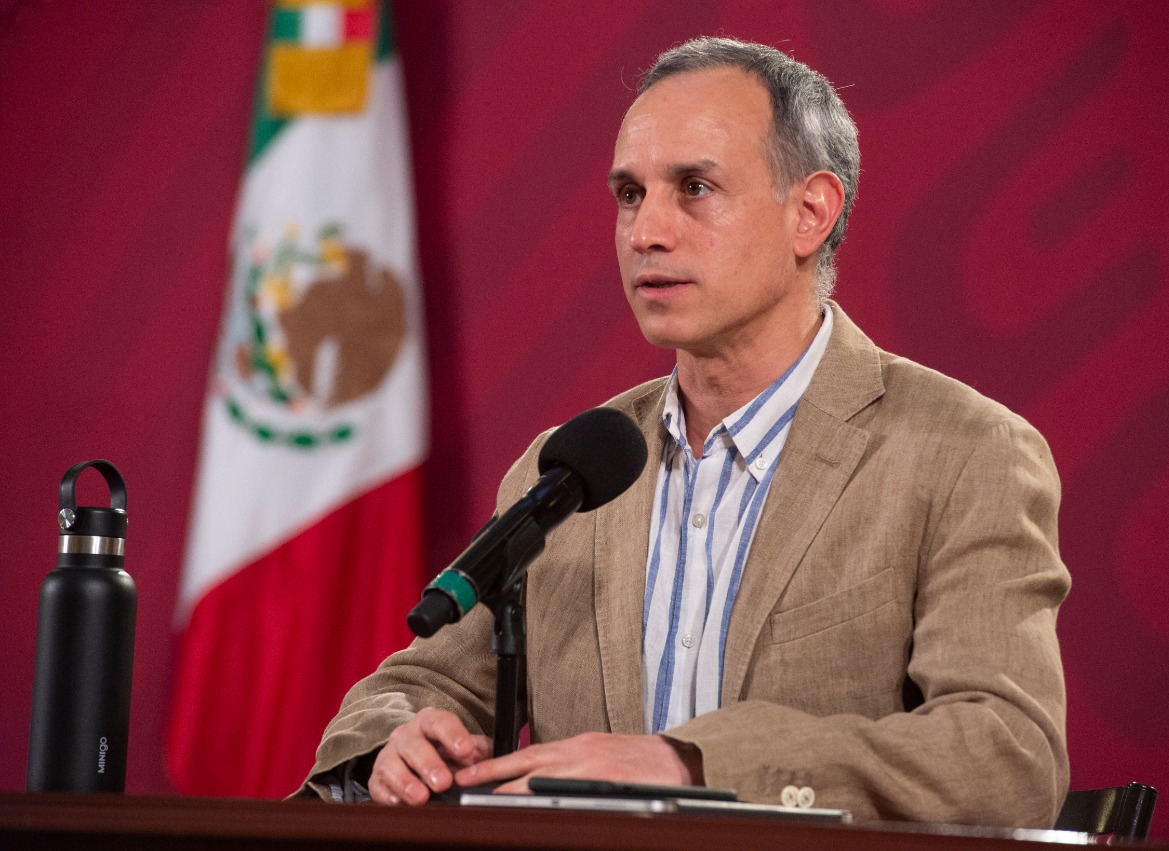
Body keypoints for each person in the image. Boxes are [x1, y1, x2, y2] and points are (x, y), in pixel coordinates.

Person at [298, 36, 1071, 828]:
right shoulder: (570, 471)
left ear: (811, 212)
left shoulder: (965, 455)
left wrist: (689, 764)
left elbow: (1006, 754)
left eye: (694, 188)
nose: (645, 231)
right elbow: (418, 687)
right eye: (630, 194)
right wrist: (398, 742)